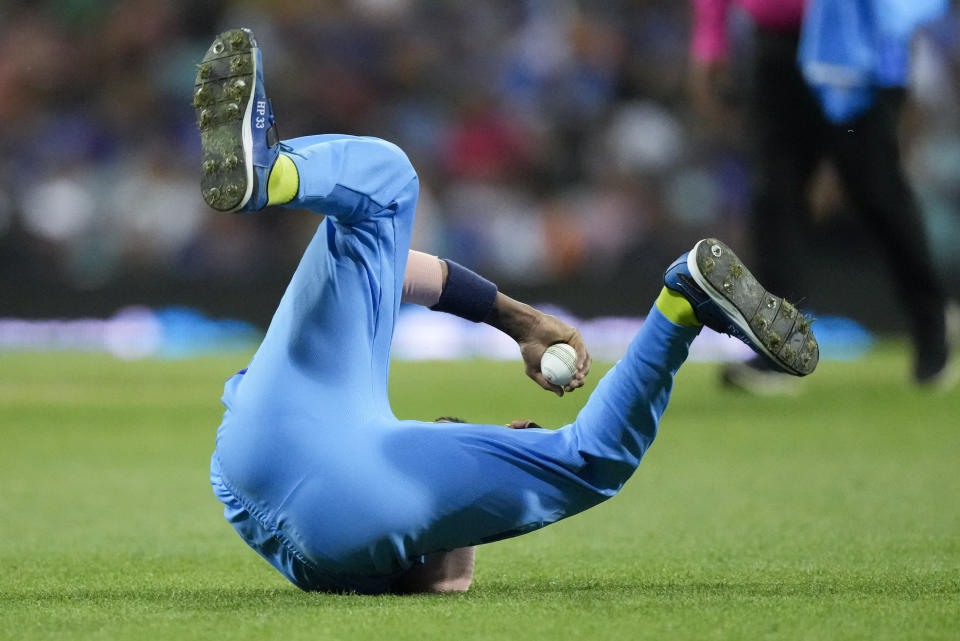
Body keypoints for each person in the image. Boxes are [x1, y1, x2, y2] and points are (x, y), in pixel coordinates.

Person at [196, 28, 818, 594]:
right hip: (324, 496)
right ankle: (680, 305)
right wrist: (515, 323)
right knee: (584, 460)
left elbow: (444, 580)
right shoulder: (388, 494)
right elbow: (450, 579)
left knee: (387, 186)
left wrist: (485, 467)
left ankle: (276, 173)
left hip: (257, 436)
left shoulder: (375, 456)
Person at [688, 0, 953, 390]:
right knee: (774, 197)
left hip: (854, 38)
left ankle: (932, 330)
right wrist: (711, 34)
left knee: (877, 192)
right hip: (779, 38)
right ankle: (779, 348)